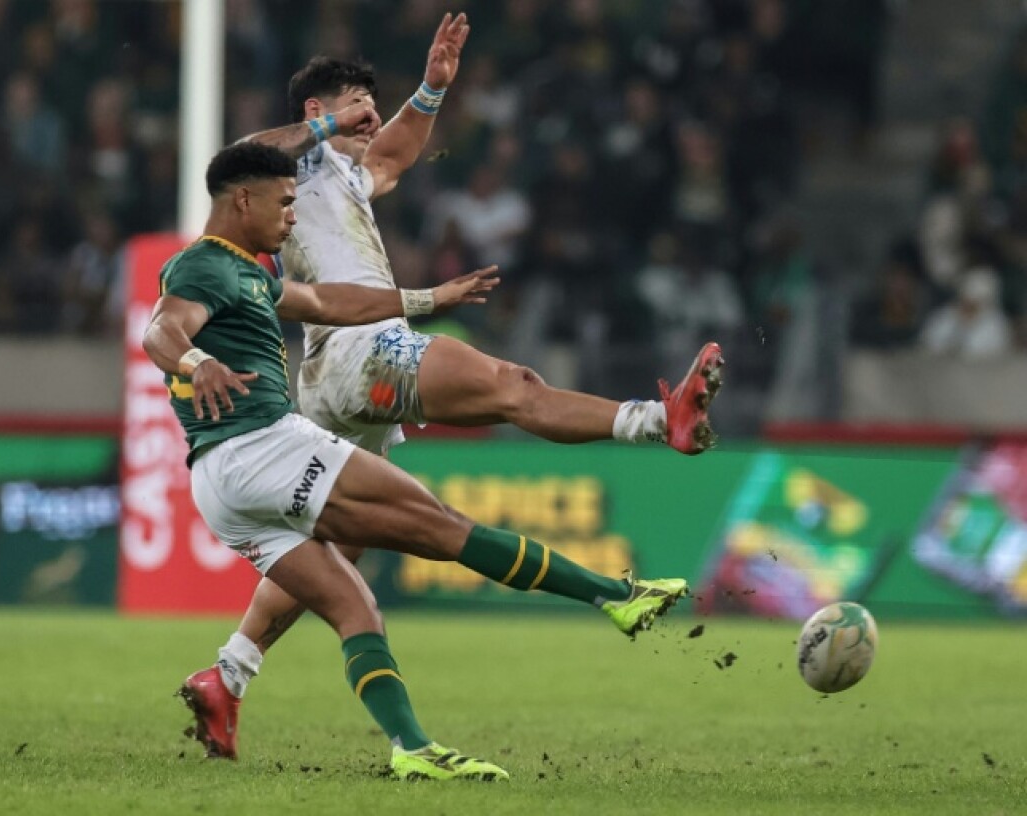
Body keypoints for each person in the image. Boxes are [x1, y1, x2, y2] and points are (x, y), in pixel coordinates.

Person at [192, 13, 726, 762]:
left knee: (335, 554)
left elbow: (397, 156)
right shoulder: (285, 169)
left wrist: (431, 91)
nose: (369, 119)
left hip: (328, 381)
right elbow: (236, 154)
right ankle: (651, 420)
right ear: (315, 112)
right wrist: (325, 131)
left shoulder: (341, 171)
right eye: (355, 106)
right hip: (357, 353)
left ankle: (230, 673)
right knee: (513, 385)